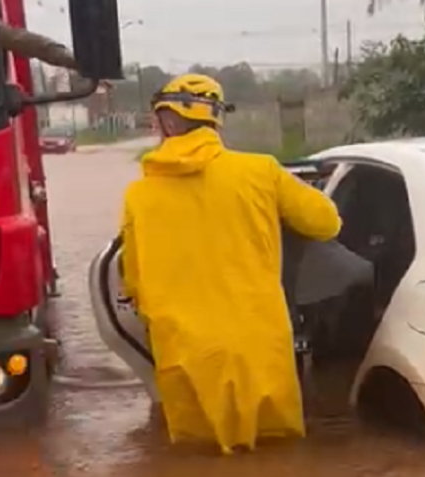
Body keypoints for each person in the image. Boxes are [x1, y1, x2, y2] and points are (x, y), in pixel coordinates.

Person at [120, 73, 342, 454]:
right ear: (217, 119)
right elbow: (327, 223)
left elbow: (134, 281)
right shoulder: (261, 171)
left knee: (197, 467)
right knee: (278, 462)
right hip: (258, 343)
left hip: (184, 351)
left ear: (166, 122)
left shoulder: (139, 194)